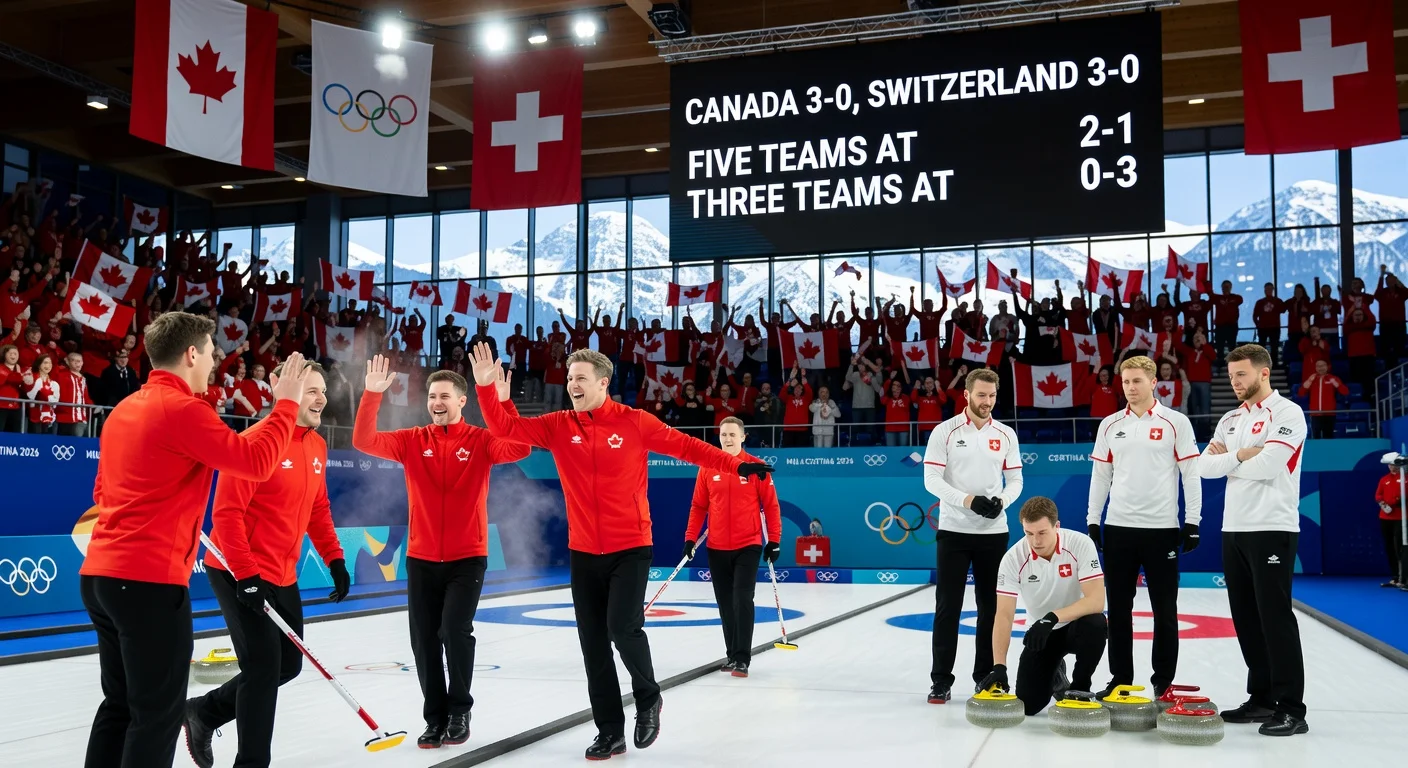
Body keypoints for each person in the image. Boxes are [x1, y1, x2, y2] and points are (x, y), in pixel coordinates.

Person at [467, 343, 773, 760]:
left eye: (580, 378)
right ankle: (609, 730)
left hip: (631, 546)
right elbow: (506, 430)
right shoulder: (558, 425)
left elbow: (688, 448)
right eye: (570, 378)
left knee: (622, 629)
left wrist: (736, 466)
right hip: (584, 550)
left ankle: (648, 698)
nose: (572, 384)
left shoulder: (634, 422)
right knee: (592, 643)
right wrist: (487, 389)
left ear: (603, 383)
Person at [78, 314, 307, 768]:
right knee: (157, 714)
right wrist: (285, 406)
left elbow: (100, 493)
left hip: (102, 577)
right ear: (191, 354)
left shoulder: (124, 408)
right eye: (211, 349)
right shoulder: (183, 410)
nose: (216, 358)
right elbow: (255, 461)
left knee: (120, 705)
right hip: (148, 582)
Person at [353, 355, 531, 749]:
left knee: (453, 630)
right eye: (432, 395)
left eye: (445, 396)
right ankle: (434, 719)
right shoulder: (411, 440)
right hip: (420, 558)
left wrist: (503, 405)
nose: (437, 402)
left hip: (467, 557)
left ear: (462, 401)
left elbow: (520, 448)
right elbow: (364, 440)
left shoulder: (481, 441)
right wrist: (372, 395)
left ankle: (459, 709)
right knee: (424, 641)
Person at [183, 360, 350, 768]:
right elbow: (225, 515)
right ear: (288, 392)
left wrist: (335, 559)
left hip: (282, 572)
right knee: (261, 668)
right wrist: (247, 576)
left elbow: (319, 509)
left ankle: (203, 712)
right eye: (311, 390)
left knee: (287, 665)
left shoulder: (316, 444)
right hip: (238, 569)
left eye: (323, 390)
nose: (321, 398)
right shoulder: (255, 441)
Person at [1199, 343, 1309, 736]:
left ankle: (1292, 709)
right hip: (1235, 529)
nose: (1234, 382)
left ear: (1264, 373)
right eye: (1231, 376)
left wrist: (1234, 460)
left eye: (1241, 375)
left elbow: (1269, 466)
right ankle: (1261, 699)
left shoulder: (1287, 413)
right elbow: (1203, 467)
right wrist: (1241, 455)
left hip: (1272, 527)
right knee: (1246, 619)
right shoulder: (1230, 419)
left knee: (1275, 619)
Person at [1087, 356, 1201, 699]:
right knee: (1118, 612)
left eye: (1137, 381)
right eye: (1125, 382)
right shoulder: (1109, 425)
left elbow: (1190, 474)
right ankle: (1120, 677)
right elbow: (1101, 476)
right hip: (1119, 528)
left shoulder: (1176, 422)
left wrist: (1192, 521)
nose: (1130, 388)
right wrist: (1094, 519)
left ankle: (1164, 681)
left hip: (1162, 529)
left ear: (1154, 383)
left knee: (1165, 611)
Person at [922, 368, 1025, 703]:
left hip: (994, 533)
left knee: (991, 608)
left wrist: (1002, 502)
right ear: (966, 394)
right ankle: (941, 680)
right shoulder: (945, 431)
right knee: (948, 607)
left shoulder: (1006, 434)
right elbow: (932, 481)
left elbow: (1016, 481)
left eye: (992, 395)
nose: (987, 402)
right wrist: (968, 501)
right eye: (981, 395)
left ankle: (986, 675)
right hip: (954, 531)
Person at [981, 496, 1107, 715]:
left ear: (1056, 526)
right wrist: (999, 667)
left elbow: (1096, 601)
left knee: (1096, 623)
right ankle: (1057, 676)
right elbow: (1003, 615)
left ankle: (1079, 688)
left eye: (1042, 533)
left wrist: (1053, 617)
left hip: (1076, 626)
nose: (1035, 541)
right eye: (1029, 533)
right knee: (1029, 705)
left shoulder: (1080, 544)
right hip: (1041, 635)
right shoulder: (1012, 559)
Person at [681, 417, 783, 678]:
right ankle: (732, 655)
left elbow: (770, 506)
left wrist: (774, 541)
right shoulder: (707, 467)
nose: (727, 439)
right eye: (723, 434)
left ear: (743, 437)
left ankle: (742, 658)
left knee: (741, 599)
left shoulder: (756, 468)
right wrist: (690, 538)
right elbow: (698, 506)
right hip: (716, 547)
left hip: (747, 545)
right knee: (726, 604)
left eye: (732, 435)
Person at [1374, 456, 1405, 589]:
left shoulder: (1405, 478)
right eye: (1390, 465)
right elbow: (1378, 495)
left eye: (1394, 465)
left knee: (1400, 547)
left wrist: (1393, 502)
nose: (1392, 467)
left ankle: (1403, 577)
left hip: (1400, 517)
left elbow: (1404, 495)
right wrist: (1382, 503)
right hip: (1385, 517)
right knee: (1389, 547)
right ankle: (1395, 576)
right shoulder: (1384, 479)